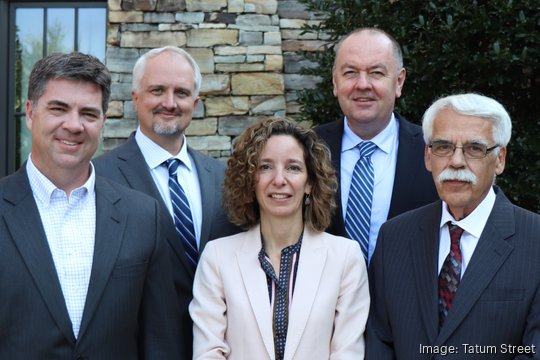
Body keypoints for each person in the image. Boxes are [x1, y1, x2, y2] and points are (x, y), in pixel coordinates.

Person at [0, 52, 180, 358]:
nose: (74, 125)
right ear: (30, 113)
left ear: (103, 121)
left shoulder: (144, 216)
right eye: (58, 109)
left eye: (88, 113)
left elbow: (161, 342)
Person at [366, 93, 540, 359]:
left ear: (500, 159)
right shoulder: (394, 237)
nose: (456, 161)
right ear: (427, 156)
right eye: (443, 147)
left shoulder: (535, 240)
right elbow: (379, 341)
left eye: (474, 148)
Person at [94, 45, 239, 359]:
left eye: (181, 93)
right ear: (136, 97)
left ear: (195, 103)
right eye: (157, 90)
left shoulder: (224, 178)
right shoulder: (100, 180)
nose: (169, 103)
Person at [190, 117, 370, 359]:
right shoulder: (217, 258)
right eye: (265, 167)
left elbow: (347, 353)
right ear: (250, 180)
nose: (279, 180)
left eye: (293, 167)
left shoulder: (345, 258)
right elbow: (208, 352)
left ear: (310, 182)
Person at [315, 28, 438, 263]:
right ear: (335, 82)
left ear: (399, 81)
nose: (363, 84)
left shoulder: (433, 151)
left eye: (376, 73)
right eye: (350, 72)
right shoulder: (306, 149)